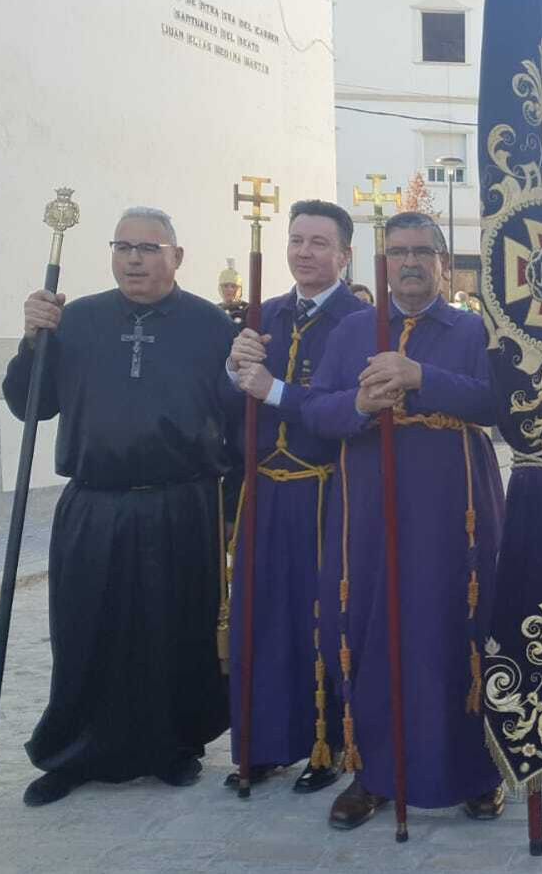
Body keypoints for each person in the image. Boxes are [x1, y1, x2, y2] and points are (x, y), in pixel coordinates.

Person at [6, 207, 236, 806]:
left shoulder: (211, 326)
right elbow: (28, 404)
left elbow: (238, 425)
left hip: (180, 504)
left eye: (149, 247)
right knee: (85, 628)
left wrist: (234, 511)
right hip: (93, 503)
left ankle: (173, 747)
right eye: (124, 246)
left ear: (177, 257)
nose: (135, 258)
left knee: (173, 628)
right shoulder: (74, 320)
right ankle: (75, 752)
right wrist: (31, 341)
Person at [302, 212, 507, 830]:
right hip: (370, 506)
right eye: (397, 252)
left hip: (455, 508)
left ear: (444, 262)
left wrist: (422, 378)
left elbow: (497, 402)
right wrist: (361, 403)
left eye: (423, 251)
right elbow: (315, 412)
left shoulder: (475, 330)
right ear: (381, 261)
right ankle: (374, 774)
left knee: (458, 630)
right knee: (371, 629)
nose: (409, 262)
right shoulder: (353, 330)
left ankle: (476, 772)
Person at [222, 200, 366, 794]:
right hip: (263, 495)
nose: (304, 252)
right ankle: (261, 745)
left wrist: (273, 388)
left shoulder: (360, 322)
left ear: (344, 254)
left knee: (318, 620)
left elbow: (349, 410)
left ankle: (324, 747)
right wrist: (233, 370)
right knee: (261, 617)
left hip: (325, 493)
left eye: (318, 242)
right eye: (296, 240)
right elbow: (234, 401)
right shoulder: (265, 315)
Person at [218, 258, 249, 328]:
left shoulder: (248, 310)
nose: (230, 290)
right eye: (225, 286)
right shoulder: (215, 310)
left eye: (233, 286)